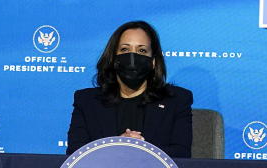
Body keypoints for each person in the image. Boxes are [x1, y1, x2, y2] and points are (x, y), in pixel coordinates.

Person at [66, 20, 193, 158]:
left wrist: (140, 148)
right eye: (125, 49)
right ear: (114, 59)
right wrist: (118, 146)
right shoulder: (87, 101)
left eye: (142, 50)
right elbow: (75, 155)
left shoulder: (176, 100)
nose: (133, 58)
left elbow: (181, 155)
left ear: (153, 62)